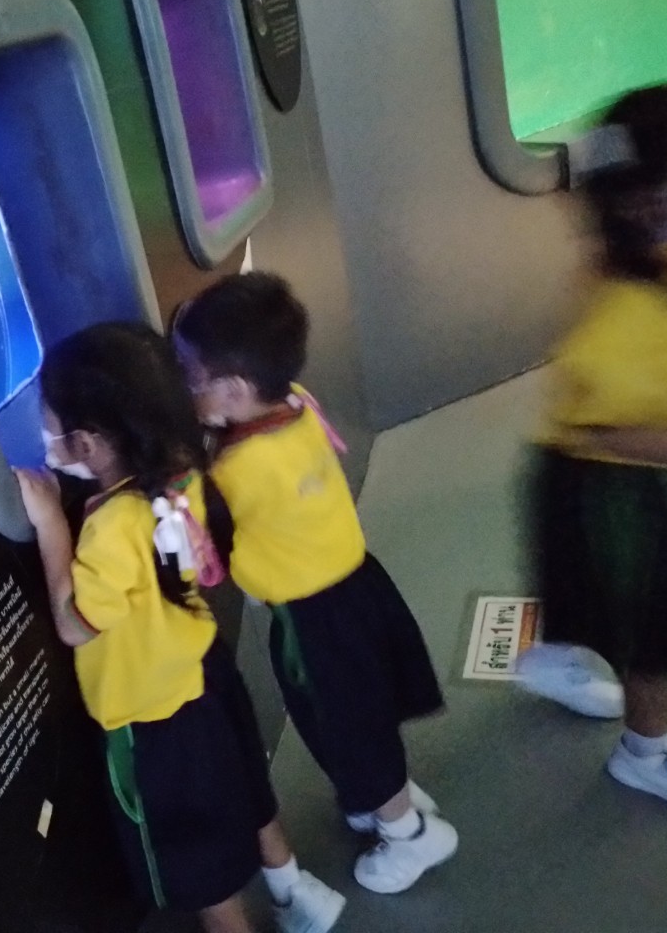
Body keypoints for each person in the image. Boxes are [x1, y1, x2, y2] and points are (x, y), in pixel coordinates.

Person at [15, 323, 345, 933]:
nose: (45, 438)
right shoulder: (181, 474)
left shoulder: (112, 528)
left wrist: (50, 526)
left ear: (89, 442)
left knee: (198, 855)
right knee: (244, 785)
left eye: (49, 425)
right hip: (204, 672)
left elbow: (75, 624)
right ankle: (296, 891)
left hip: (154, 714)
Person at [172, 278, 457, 896]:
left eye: (192, 376)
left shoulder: (237, 470)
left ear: (235, 389)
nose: (186, 388)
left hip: (314, 621)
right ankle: (383, 795)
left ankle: (409, 833)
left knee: (347, 726)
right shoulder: (296, 403)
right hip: (359, 586)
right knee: (365, 710)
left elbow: (201, 538)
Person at [521, 83, 667, 817]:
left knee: (577, 578)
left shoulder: (643, 250)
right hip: (613, 485)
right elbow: (615, 432)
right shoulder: (623, 319)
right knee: (658, 619)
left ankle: (553, 656)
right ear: (648, 202)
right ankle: (647, 753)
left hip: (572, 469)